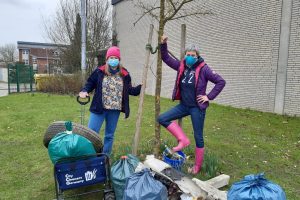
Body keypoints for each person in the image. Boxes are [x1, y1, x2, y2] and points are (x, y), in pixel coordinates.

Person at [158, 36, 226, 174]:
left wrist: (208, 96)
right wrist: (163, 44)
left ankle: (197, 166)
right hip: (184, 105)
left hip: (197, 107)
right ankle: (183, 140)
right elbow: (165, 58)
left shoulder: (204, 69)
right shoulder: (181, 66)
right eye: (187, 55)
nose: (189, 57)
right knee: (162, 118)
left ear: (197, 56)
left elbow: (221, 82)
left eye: (192, 55)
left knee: (198, 136)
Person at [79, 46, 141, 155]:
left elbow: (129, 90)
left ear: (119, 59)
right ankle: (89, 155)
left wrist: (140, 88)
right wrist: (84, 91)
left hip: (114, 109)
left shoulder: (124, 74)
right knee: (91, 133)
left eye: (115, 58)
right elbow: (90, 83)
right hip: (99, 108)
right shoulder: (100, 71)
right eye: (111, 57)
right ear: (107, 59)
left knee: (109, 135)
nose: (113, 60)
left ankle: (106, 156)